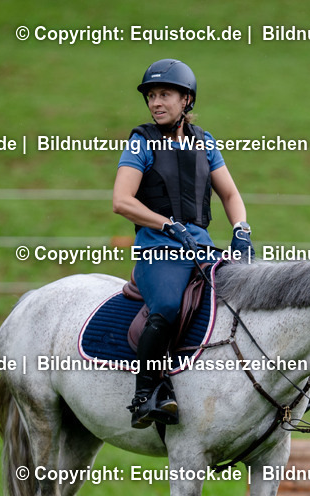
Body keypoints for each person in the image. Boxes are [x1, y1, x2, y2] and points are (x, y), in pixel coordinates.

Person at [113, 58, 254, 429]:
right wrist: (166, 224)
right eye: (152, 96)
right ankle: (145, 396)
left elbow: (230, 194)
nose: (156, 102)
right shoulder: (141, 141)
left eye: (165, 95)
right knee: (168, 307)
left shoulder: (204, 142)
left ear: (186, 100)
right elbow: (122, 200)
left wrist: (241, 229)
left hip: (202, 249)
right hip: (158, 251)